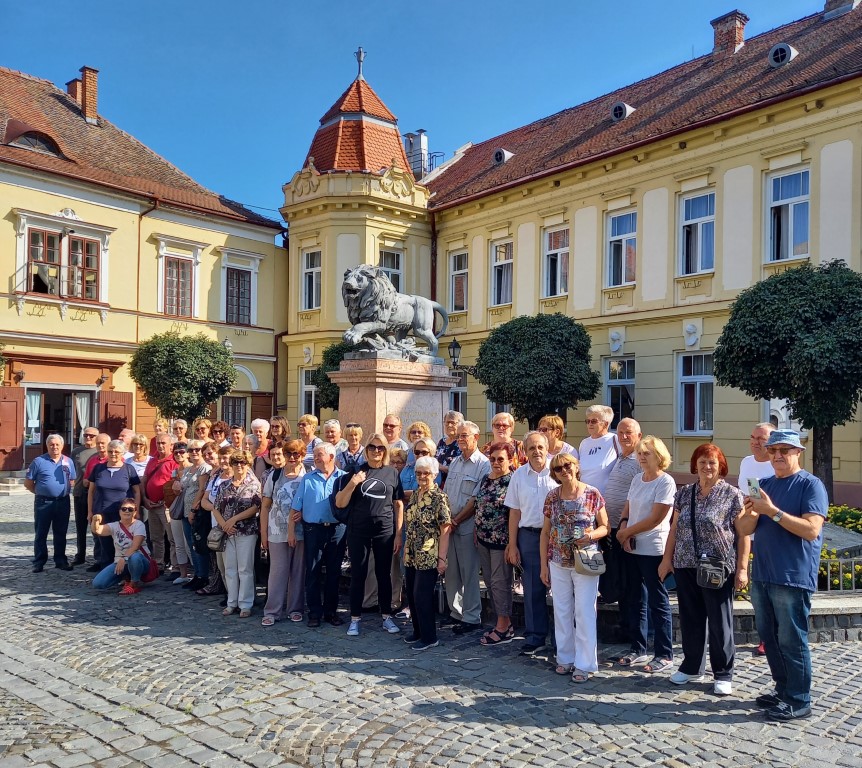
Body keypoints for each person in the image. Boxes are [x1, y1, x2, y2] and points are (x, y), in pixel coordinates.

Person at [737, 430, 828, 721]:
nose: (777, 456)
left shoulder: (811, 485)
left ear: (797, 452)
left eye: (784, 451)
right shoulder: (762, 484)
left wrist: (772, 511)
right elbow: (745, 530)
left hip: (792, 575)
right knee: (770, 638)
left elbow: (811, 530)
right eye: (773, 450)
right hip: (763, 572)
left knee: (791, 640)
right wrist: (752, 513)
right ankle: (783, 691)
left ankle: (799, 699)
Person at [660, 444, 749, 696]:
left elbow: (743, 534)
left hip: (717, 566)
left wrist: (742, 568)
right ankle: (691, 666)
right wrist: (667, 559)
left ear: (721, 465)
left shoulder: (732, 494)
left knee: (720, 621)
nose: (707, 467)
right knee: (690, 618)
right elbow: (674, 529)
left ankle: (723, 672)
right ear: (694, 465)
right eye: (702, 462)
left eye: (712, 462)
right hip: (686, 563)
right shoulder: (685, 493)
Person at [540, 453, 608, 681]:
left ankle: (585, 663)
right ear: (554, 474)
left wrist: (590, 535)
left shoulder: (592, 493)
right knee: (561, 610)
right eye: (558, 468)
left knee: (585, 611)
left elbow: (605, 526)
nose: (564, 470)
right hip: (558, 560)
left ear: (576, 466)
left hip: (585, 559)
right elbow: (546, 532)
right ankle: (565, 658)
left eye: (567, 465)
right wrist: (543, 565)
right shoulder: (552, 497)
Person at [615, 436, 676, 673]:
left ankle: (664, 653)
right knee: (635, 599)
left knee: (658, 601)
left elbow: (656, 518)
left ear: (659, 456)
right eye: (640, 453)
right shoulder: (637, 479)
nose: (641, 457)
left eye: (646, 453)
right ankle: (638, 648)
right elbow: (628, 507)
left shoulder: (666, 482)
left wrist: (627, 532)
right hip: (631, 544)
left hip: (653, 548)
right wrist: (622, 528)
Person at [334, 434, 404, 637]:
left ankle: (386, 616)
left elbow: (398, 504)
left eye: (380, 448)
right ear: (367, 450)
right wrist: (353, 483)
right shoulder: (355, 470)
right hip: (359, 530)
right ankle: (355, 618)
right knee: (358, 575)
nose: (376, 451)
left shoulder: (392, 473)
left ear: (385, 451)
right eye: (372, 447)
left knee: (384, 575)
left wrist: (398, 534)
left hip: (384, 531)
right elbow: (340, 502)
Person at [505, 430, 558, 654]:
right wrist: (512, 544)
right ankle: (535, 636)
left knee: (562, 589)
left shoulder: (558, 472)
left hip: (557, 537)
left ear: (547, 449)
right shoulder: (518, 476)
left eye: (540, 447)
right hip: (528, 536)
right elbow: (514, 513)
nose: (536, 451)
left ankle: (561, 641)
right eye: (531, 448)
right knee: (533, 588)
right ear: (524, 451)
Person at [288, 442, 346, 627]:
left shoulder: (344, 478)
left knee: (334, 572)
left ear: (331, 456)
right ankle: (314, 613)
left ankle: (331, 612)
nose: (316, 457)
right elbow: (296, 507)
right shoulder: (308, 478)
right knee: (312, 571)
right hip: (313, 529)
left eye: (320, 454)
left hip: (337, 530)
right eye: (315, 454)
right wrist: (291, 529)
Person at [443, 421, 491, 634]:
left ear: (476, 437)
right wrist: (446, 520)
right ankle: (456, 613)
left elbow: (476, 499)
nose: (461, 439)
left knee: (469, 572)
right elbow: (447, 493)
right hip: (449, 524)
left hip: (467, 523)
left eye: (465, 436)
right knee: (451, 572)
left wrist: (457, 520)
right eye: (459, 436)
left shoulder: (483, 464)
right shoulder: (454, 462)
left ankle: (472, 617)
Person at [403, 455, 452, 651]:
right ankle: (418, 631)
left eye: (426, 473)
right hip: (412, 553)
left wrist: (442, 558)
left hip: (429, 552)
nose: (422, 476)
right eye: (418, 473)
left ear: (435, 474)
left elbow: (446, 528)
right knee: (412, 595)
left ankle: (430, 636)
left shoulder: (439, 497)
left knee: (422, 595)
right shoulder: (415, 494)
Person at [737, 421, 776, 657]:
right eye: (752, 437)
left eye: (761, 438)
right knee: (757, 589)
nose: (755, 442)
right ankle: (765, 635)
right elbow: (743, 493)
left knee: (770, 588)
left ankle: (771, 637)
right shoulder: (746, 462)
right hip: (747, 529)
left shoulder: (776, 465)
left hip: (770, 532)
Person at [597, 418, 642, 618]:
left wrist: (627, 526)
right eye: (620, 432)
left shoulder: (640, 461)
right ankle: (625, 625)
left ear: (638, 436)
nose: (624, 437)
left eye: (629, 433)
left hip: (629, 529)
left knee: (631, 583)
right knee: (619, 579)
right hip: (613, 527)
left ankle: (633, 630)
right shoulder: (621, 458)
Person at [260, 439, 306, 625]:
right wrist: (263, 533)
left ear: (303, 455)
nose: (293, 457)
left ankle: (295, 608)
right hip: (277, 530)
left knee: (298, 571)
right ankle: (272, 611)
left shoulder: (308, 474)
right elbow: (265, 506)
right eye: (289, 453)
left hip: (302, 531)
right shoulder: (275, 475)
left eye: (297, 454)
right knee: (277, 572)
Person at [474, 442, 515, 646]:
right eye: (493, 459)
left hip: (502, 541)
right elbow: (479, 505)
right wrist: (476, 530)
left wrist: (512, 543)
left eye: (501, 459)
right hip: (483, 538)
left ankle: (503, 627)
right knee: (490, 582)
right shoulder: (485, 478)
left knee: (500, 583)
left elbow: (515, 513)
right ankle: (504, 622)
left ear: (510, 460)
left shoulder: (512, 481)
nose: (496, 463)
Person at [213, 449, 261, 618]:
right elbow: (216, 508)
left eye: (243, 463)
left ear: (248, 465)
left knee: (245, 569)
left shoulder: (254, 485)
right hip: (227, 532)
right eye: (236, 463)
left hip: (246, 531)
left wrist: (234, 520)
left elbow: (256, 507)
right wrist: (225, 524)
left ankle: (246, 604)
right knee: (230, 569)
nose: (239, 466)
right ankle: (231, 602)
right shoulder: (224, 485)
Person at [88, 440, 141, 572]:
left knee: (122, 544)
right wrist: (90, 511)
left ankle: (124, 573)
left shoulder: (129, 469)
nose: (113, 454)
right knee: (105, 545)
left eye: (116, 452)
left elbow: (137, 492)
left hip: (123, 514)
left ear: (122, 453)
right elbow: (91, 491)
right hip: (102, 513)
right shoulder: (99, 468)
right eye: (110, 451)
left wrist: (136, 510)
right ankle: (107, 572)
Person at [25, 434, 76, 573]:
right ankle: (39, 561)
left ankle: (60, 560)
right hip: (43, 502)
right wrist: (42, 492)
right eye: (51, 445)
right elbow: (28, 483)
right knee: (41, 533)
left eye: (57, 444)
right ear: (47, 446)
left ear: (62, 446)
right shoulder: (38, 461)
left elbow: (72, 480)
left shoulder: (68, 461)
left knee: (61, 533)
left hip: (63, 502)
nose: (54, 447)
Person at [90, 498, 151, 595]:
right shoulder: (115, 526)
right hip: (120, 563)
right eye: (124, 509)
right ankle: (125, 577)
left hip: (140, 561)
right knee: (98, 584)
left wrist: (124, 558)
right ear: (119, 511)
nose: (127, 511)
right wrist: (95, 521)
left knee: (134, 557)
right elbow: (97, 530)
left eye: (130, 509)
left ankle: (134, 583)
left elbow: (135, 546)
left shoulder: (139, 525)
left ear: (135, 512)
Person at [198, 444, 235, 597]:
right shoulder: (216, 476)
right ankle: (229, 595)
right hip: (216, 526)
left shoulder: (238, 476)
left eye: (226, 458)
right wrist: (214, 508)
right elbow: (204, 500)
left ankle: (238, 597)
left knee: (234, 566)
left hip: (232, 526)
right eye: (221, 458)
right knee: (222, 565)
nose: (223, 461)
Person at [178, 439, 212, 591]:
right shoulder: (188, 469)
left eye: (197, 449)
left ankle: (203, 576)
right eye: (191, 450)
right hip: (186, 511)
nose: (194, 452)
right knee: (191, 544)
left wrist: (193, 509)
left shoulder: (204, 468)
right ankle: (197, 574)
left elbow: (202, 489)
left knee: (198, 543)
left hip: (197, 511)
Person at [142, 434, 177, 573]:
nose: (160, 446)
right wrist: (145, 499)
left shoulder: (174, 462)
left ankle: (175, 567)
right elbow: (144, 479)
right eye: (158, 443)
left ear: (171, 445)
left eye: (163, 443)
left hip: (166, 506)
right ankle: (158, 564)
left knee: (172, 538)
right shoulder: (152, 461)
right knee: (156, 538)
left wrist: (167, 500)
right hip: (151, 505)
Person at [70, 427, 99, 565]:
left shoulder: (99, 452)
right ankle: (80, 554)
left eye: (91, 436)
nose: (88, 437)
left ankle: (98, 557)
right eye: (86, 435)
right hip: (79, 492)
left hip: (95, 495)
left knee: (95, 526)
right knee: (80, 527)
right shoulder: (76, 452)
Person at [577, 405, 620, 494]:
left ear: (605, 424)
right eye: (587, 421)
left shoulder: (615, 440)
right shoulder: (584, 443)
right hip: (585, 499)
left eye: (593, 421)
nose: (590, 424)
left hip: (606, 499)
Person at [167, 442, 193, 585]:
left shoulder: (192, 469)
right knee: (178, 543)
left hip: (188, 509)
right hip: (177, 508)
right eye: (176, 453)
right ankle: (183, 573)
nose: (179, 455)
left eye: (182, 452)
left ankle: (197, 574)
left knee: (189, 543)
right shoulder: (175, 471)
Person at [400, 437, 438, 503]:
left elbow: (427, 492)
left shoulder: (434, 471)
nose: (420, 455)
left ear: (431, 453)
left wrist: (402, 494)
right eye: (417, 452)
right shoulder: (407, 468)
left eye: (424, 452)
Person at [435, 410, 463, 487]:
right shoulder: (442, 441)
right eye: (447, 422)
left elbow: (461, 469)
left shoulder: (462, 443)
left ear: (460, 425)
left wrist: (441, 467)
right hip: (437, 483)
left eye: (453, 423)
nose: (449, 425)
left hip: (453, 484)